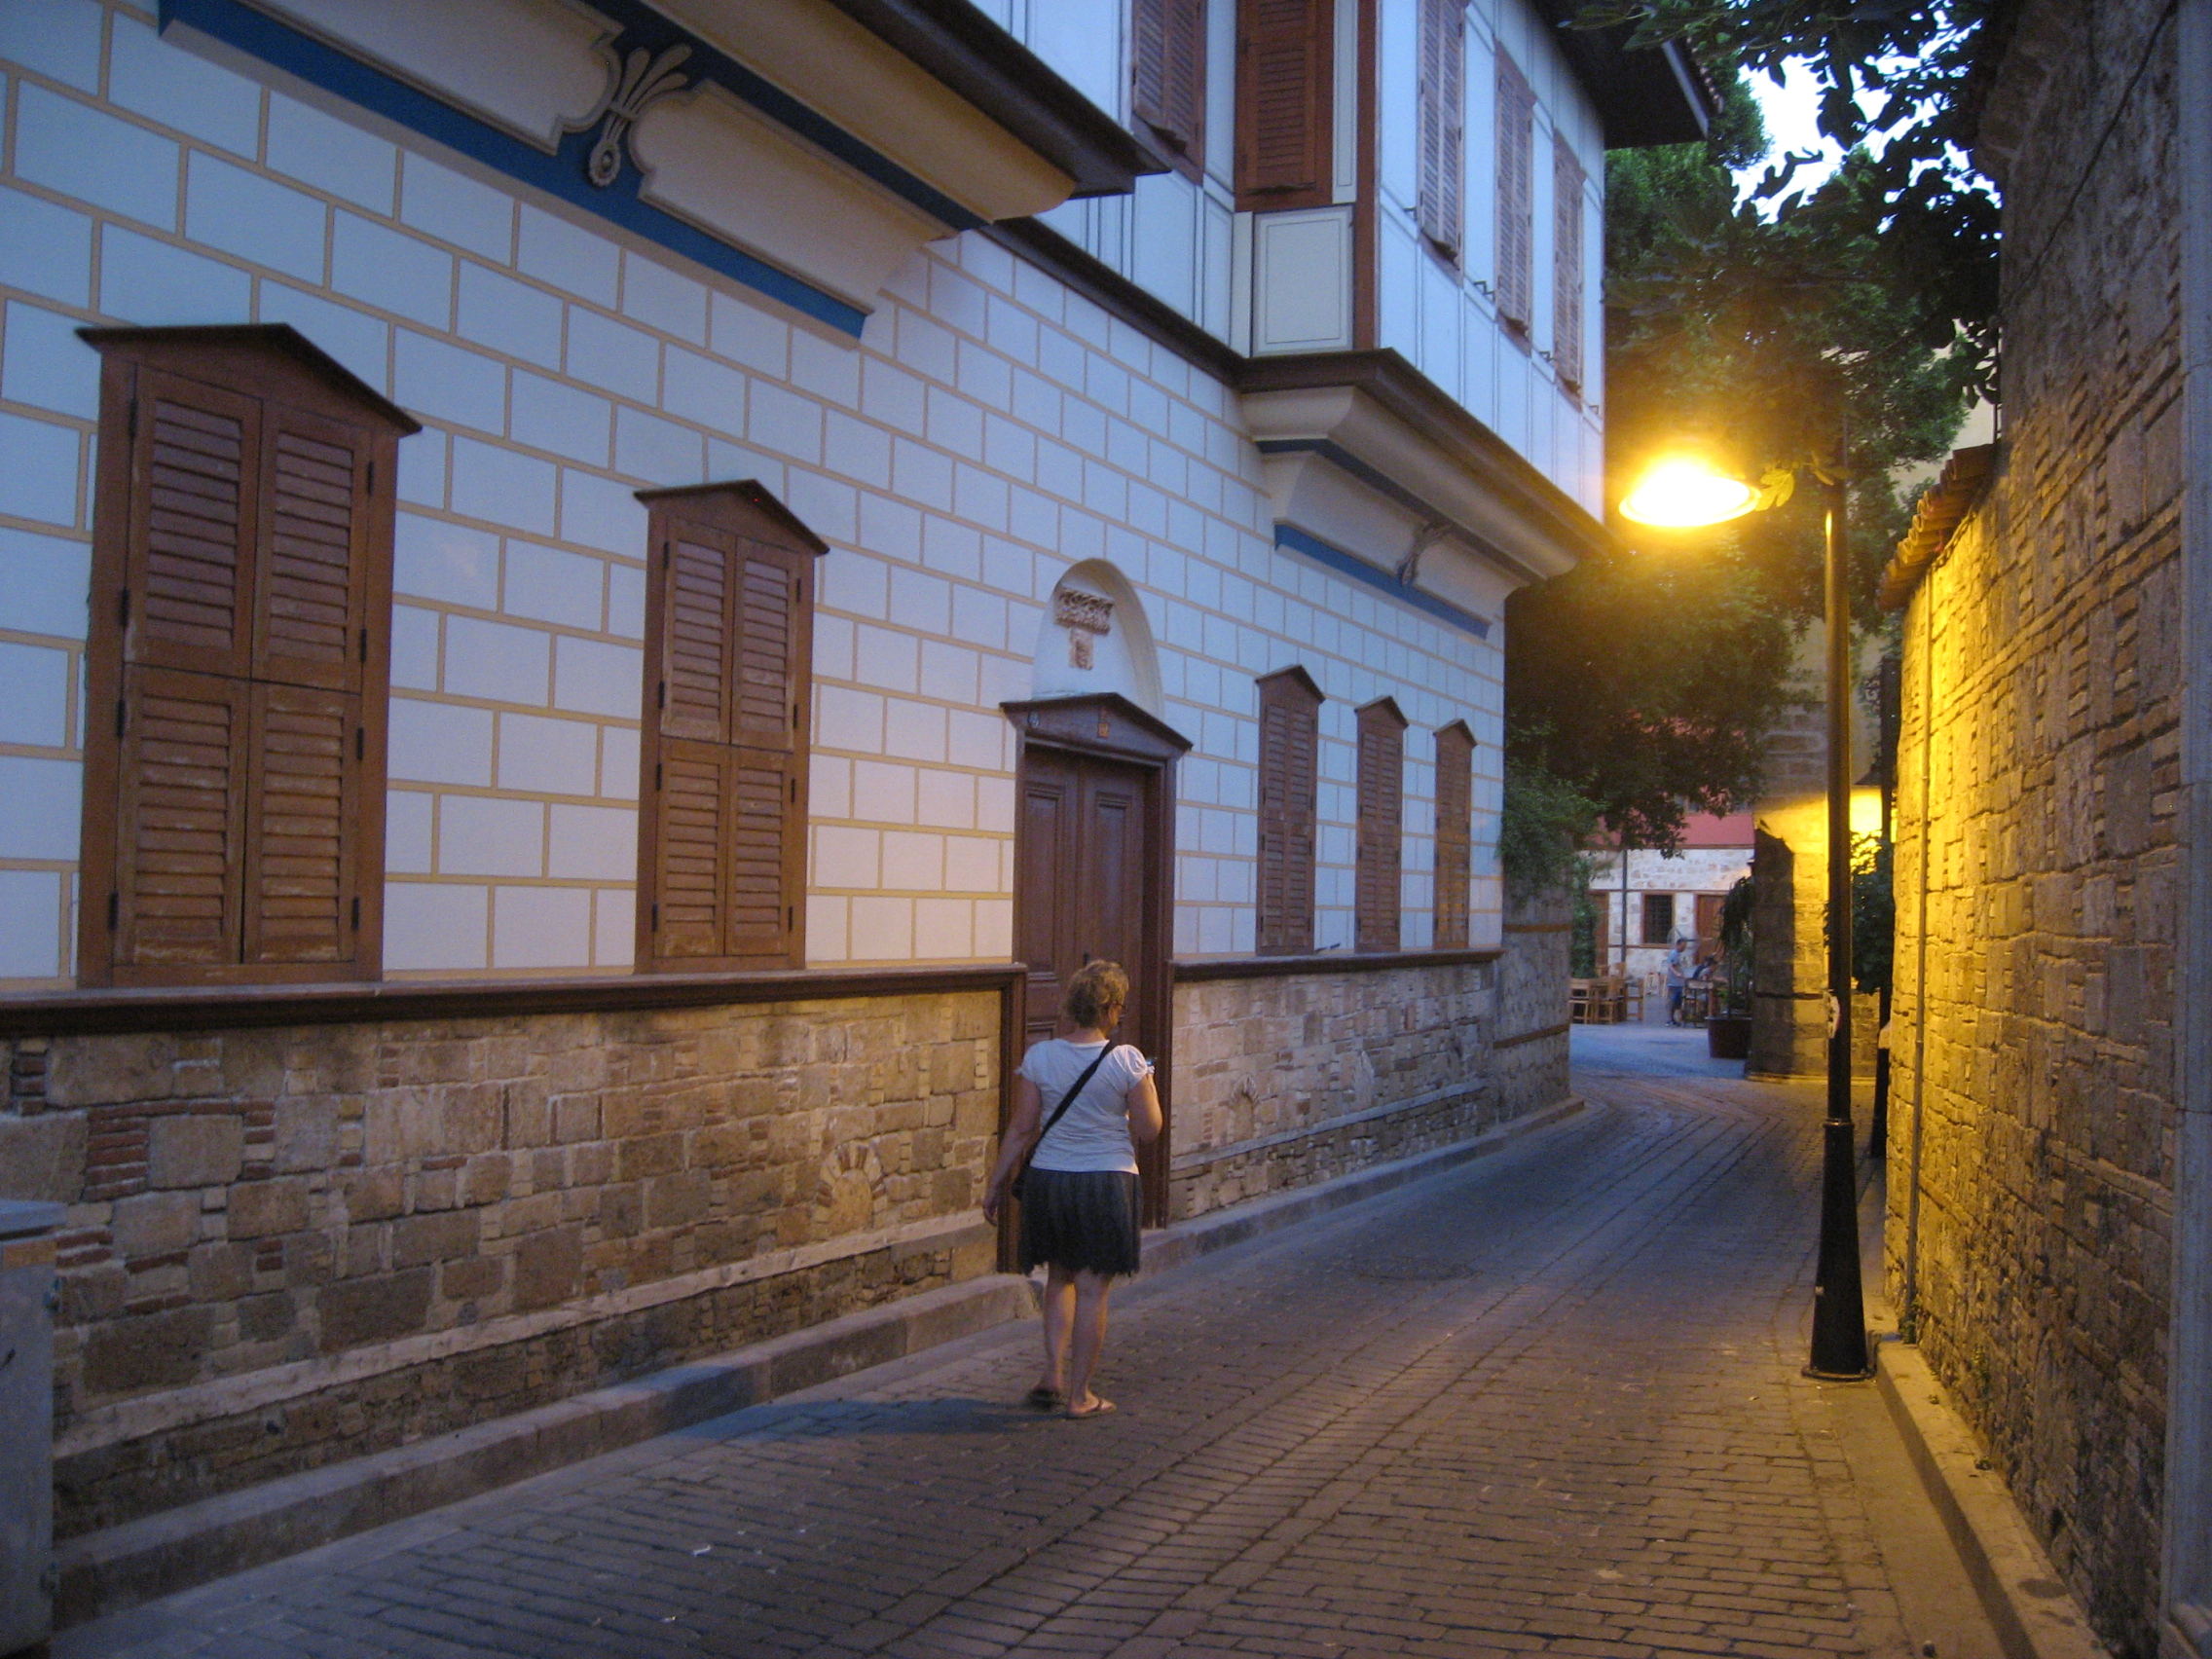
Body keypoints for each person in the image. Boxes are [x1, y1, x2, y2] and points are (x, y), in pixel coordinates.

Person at [981, 959, 1161, 1420]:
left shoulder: (1041, 1057)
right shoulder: (1127, 1060)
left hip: (1050, 1181)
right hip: (1106, 1181)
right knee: (1093, 1288)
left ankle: (1052, 1375)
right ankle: (1081, 1396)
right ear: (1111, 1007)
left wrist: (996, 1184)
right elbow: (1149, 1130)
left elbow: (1021, 1129)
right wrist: (1147, 1083)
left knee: (1059, 1277)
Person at [1665, 938, 1693, 1025]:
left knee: (1678, 1001)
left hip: (1679, 982)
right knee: (1672, 1000)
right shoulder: (1674, 954)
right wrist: (1677, 973)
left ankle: (1675, 1018)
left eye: (1685, 947)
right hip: (1674, 982)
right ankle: (1670, 1019)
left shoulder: (1679, 955)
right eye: (1682, 946)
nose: (1683, 948)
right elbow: (1671, 966)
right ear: (1677, 945)